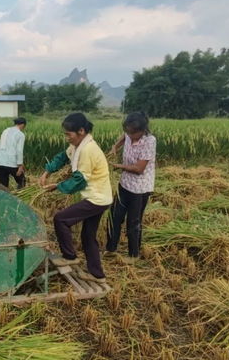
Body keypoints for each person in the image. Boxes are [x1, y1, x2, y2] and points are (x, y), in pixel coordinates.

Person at [39, 113, 113, 283]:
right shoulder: (78, 145)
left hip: (96, 199)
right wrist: (47, 172)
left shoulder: (88, 150)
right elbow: (63, 157)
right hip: (100, 197)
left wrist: (57, 186)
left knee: (61, 219)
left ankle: (70, 256)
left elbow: (79, 180)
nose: (67, 138)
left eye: (68, 134)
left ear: (81, 131)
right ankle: (97, 275)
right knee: (88, 235)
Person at [105, 112, 156, 264]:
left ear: (142, 130)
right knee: (114, 216)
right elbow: (123, 137)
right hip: (124, 184)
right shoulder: (129, 133)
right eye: (128, 131)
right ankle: (111, 249)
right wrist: (115, 147)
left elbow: (139, 169)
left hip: (140, 189)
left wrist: (117, 166)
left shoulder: (149, 141)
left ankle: (133, 255)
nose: (130, 135)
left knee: (133, 222)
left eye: (133, 133)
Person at [0, 117, 27, 189]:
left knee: (3, 186)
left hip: (0, 162)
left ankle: (4, 199)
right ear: (23, 125)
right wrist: (20, 165)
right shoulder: (20, 134)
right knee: (22, 181)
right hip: (12, 163)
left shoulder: (5, 131)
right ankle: (19, 197)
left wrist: (2, 157)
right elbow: (19, 150)